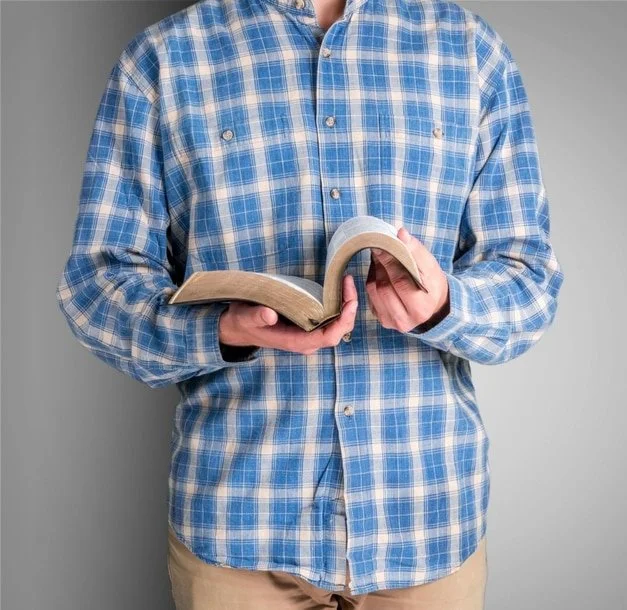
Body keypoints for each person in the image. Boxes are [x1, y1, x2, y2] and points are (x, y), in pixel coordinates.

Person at [56, 0, 564, 606]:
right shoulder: (165, 60)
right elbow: (97, 287)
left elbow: (529, 278)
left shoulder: (469, 52)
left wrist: (444, 306)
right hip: (238, 532)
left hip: (427, 523)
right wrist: (221, 331)